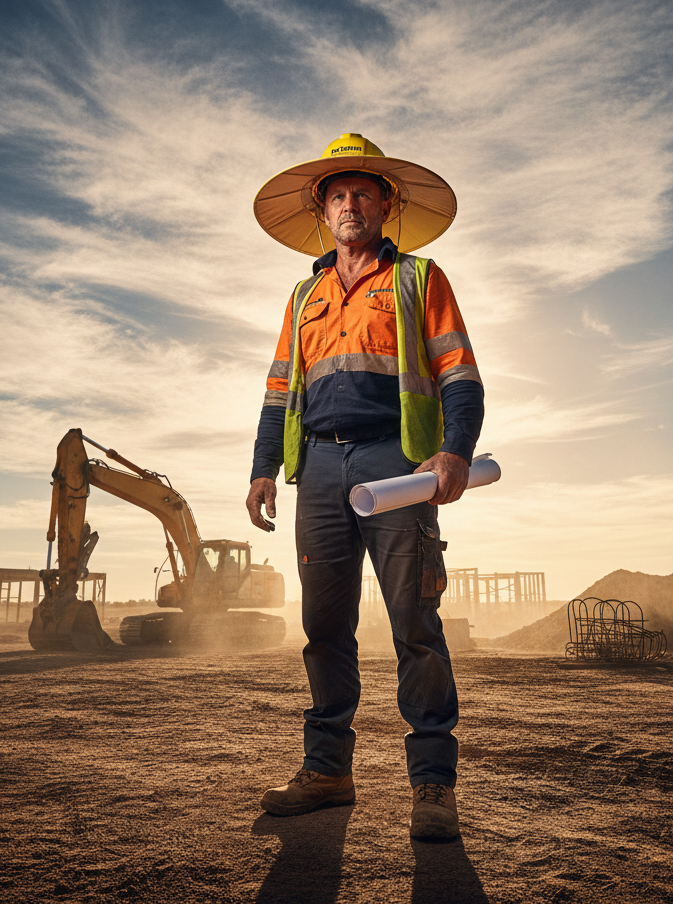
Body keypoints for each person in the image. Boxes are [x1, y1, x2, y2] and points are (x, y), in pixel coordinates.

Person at [246, 133, 484, 839]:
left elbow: (460, 376)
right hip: (317, 469)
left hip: (397, 466)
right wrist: (264, 467)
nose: (350, 205)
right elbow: (278, 388)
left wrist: (453, 452)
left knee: (416, 624)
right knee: (323, 628)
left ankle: (433, 786)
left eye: (362, 193)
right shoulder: (303, 295)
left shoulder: (418, 278)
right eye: (337, 195)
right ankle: (327, 771)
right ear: (323, 212)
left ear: (387, 203)